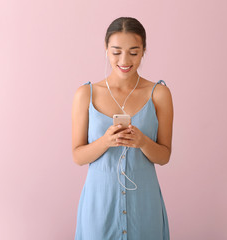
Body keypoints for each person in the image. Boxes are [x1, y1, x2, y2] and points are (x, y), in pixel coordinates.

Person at [71, 17, 173, 240]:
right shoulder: (85, 94)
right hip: (99, 205)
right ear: (106, 49)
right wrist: (105, 141)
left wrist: (143, 142)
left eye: (134, 52)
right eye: (116, 52)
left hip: (144, 205)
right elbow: (78, 156)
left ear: (144, 50)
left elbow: (164, 156)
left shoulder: (159, 94)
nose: (124, 60)